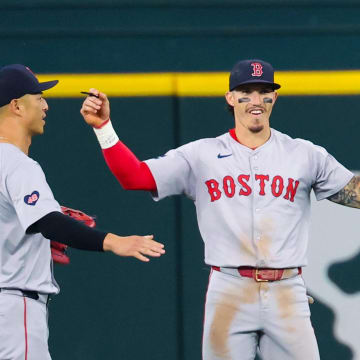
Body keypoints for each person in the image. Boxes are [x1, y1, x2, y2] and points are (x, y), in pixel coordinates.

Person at [80, 59, 358, 360]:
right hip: (229, 289)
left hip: (286, 290)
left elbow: (354, 193)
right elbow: (135, 177)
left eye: (264, 92)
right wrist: (104, 129)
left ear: (274, 98)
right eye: (246, 92)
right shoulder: (202, 155)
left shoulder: (304, 154)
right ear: (230, 98)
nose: (255, 100)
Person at [0, 64, 165, 360]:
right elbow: (49, 223)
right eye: (38, 97)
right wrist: (114, 241)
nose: (45, 105)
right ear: (16, 106)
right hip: (14, 310)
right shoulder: (17, 164)